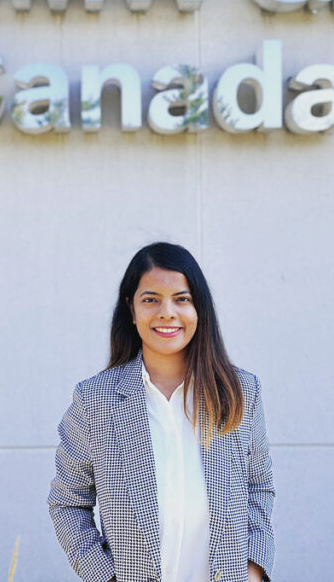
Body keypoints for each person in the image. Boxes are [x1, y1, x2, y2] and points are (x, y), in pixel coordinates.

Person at [48, 242, 275, 582]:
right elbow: (67, 503)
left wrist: (254, 571)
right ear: (132, 308)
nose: (167, 312)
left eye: (181, 299)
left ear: (199, 307)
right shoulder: (95, 400)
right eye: (151, 299)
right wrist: (106, 578)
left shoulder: (240, 391)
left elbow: (259, 487)